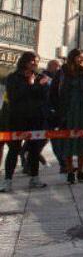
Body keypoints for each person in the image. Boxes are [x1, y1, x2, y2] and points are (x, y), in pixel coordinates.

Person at [0, 52, 49, 192]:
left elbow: (42, 96)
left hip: (34, 119)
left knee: (34, 150)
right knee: (13, 150)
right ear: (25, 62)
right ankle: (7, 180)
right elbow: (14, 96)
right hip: (17, 119)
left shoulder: (41, 77)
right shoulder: (13, 77)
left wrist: (34, 86)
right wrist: (31, 85)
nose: (35, 64)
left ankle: (34, 178)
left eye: (37, 61)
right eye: (32, 61)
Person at [50, 49, 83, 184]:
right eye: (79, 57)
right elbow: (53, 92)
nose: (82, 59)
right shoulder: (62, 73)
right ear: (72, 58)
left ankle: (81, 170)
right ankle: (70, 170)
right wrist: (58, 109)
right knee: (68, 143)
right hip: (67, 113)